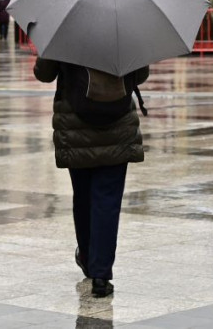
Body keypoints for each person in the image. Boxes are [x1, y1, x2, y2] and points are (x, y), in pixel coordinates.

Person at [33, 58, 148, 298]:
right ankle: (101, 274)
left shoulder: (64, 29)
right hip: (118, 127)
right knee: (107, 201)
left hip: (76, 126)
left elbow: (44, 74)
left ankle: (86, 258)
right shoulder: (125, 29)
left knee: (83, 197)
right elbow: (140, 75)